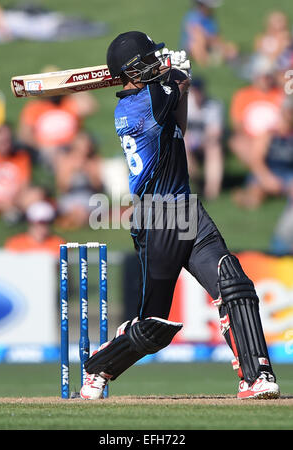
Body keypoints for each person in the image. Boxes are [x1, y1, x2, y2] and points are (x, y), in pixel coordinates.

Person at [79, 31, 280, 401]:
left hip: (186, 207)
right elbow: (172, 81)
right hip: (160, 220)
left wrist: (179, 84)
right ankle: (99, 367)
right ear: (134, 71)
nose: (157, 62)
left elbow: (180, 127)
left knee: (234, 284)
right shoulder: (141, 104)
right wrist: (175, 73)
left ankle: (256, 377)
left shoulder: (152, 100)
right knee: (153, 326)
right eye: (150, 60)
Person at [233, 95, 293, 210]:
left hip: (288, 172)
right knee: (256, 194)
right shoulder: (269, 134)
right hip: (267, 170)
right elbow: (256, 160)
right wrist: (267, 178)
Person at [54, 131, 104, 229]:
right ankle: (78, 220)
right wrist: (72, 171)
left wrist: (88, 172)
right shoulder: (66, 160)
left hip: (89, 197)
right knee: (77, 209)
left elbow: (98, 187)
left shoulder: (94, 160)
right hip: (70, 197)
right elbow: (62, 187)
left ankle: (72, 221)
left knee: (84, 209)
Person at [184, 77, 224, 199]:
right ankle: (196, 179)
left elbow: (215, 133)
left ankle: (211, 192)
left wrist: (203, 141)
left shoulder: (213, 106)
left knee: (214, 148)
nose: (197, 94)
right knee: (183, 144)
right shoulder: (185, 105)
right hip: (188, 142)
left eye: (199, 91)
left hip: (206, 142)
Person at [180, 0, 238, 66]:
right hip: (192, 49)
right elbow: (197, 36)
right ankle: (206, 60)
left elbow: (216, 36)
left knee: (232, 48)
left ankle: (215, 59)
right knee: (198, 42)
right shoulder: (193, 17)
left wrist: (224, 46)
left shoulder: (210, 18)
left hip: (210, 45)